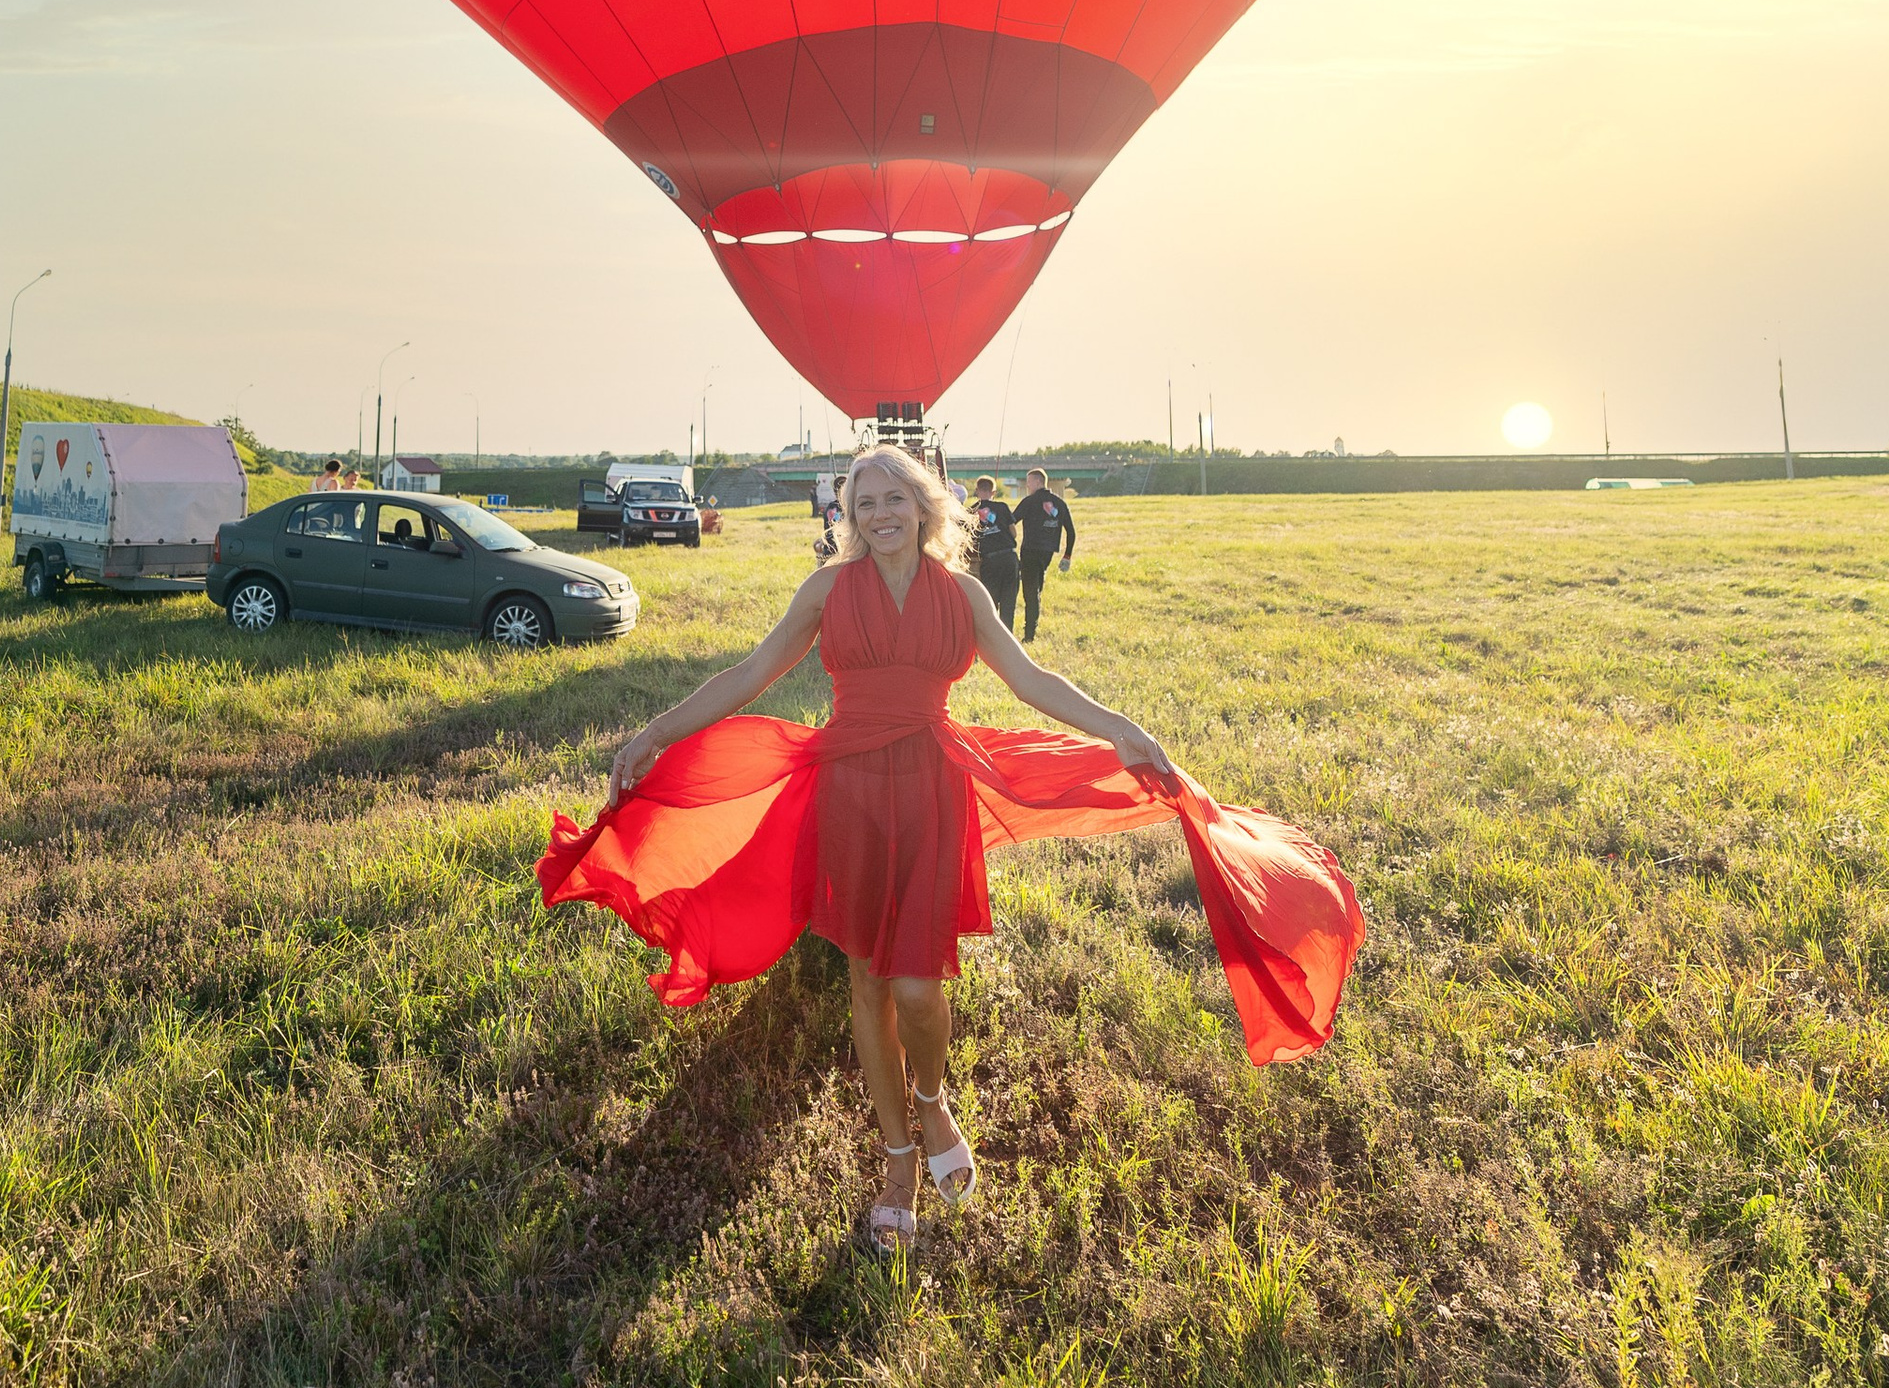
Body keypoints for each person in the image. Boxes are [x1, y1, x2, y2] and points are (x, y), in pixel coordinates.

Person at [540, 448, 1365, 1253]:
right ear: (848, 517)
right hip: (850, 791)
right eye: (863, 504)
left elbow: (1030, 678)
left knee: (919, 986)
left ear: (925, 506)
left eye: (893, 499)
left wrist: (1120, 728)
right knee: (868, 977)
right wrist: (656, 732)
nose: (879, 514)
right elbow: (752, 672)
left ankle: (931, 1096)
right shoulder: (827, 591)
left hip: (932, 788)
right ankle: (897, 1159)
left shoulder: (963, 593)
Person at [1013, 466, 1076, 641]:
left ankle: (1029, 635)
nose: (1027, 486)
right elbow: (1071, 531)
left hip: (1030, 551)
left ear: (1038, 482)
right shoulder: (1060, 503)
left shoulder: (1029, 502)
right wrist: (1067, 556)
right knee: (1036, 590)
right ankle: (1031, 631)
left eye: (1029, 482)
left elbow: (1011, 520)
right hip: (1047, 553)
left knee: (1030, 593)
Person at [969, 480, 1020, 630]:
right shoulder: (1002, 507)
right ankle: (1008, 638)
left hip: (989, 561)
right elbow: (1014, 533)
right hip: (1009, 558)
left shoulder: (971, 511)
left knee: (991, 604)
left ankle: (992, 638)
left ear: (977, 491)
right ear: (993, 492)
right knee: (1008, 604)